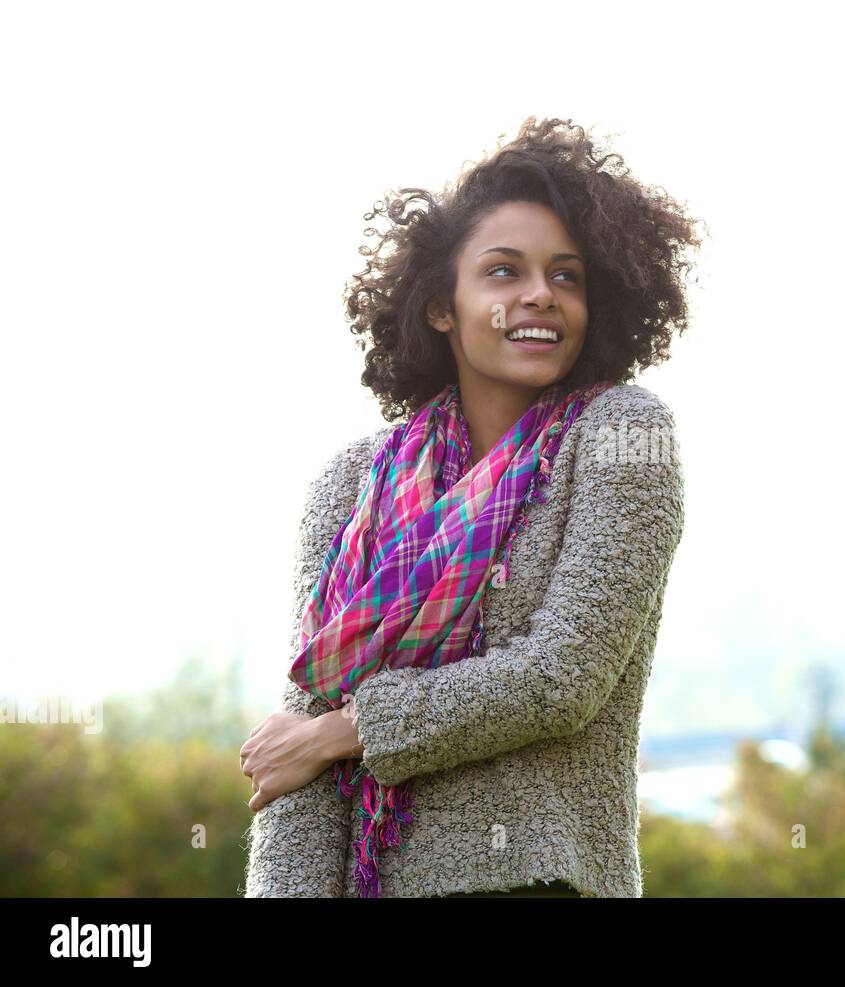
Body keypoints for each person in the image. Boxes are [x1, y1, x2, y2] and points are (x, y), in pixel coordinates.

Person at [239, 117, 704, 898]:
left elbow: (560, 679)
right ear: (440, 307)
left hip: (546, 880)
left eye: (566, 276)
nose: (539, 295)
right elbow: (298, 750)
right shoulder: (352, 483)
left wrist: (345, 733)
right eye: (502, 271)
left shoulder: (622, 434)